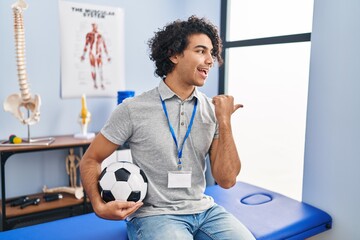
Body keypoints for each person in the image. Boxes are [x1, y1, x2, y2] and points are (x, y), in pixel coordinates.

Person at [80, 16, 255, 240]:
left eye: (212, 53)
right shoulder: (133, 109)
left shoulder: (212, 110)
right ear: (174, 55)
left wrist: (225, 121)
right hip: (154, 215)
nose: (210, 60)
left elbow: (227, 180)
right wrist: (98, 204)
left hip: (204, 210)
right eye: (201, 51)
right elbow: (91, 159)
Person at [80, 23, 111, 89]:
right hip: (92, 54)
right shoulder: (89, 34)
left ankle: (102, 83)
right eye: (94, 26)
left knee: (100, 69)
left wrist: (108, 56)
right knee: (93, 69)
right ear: (92, 26)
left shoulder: (100, 35)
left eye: (96, 26)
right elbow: (86, 45)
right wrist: (83, 55)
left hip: (98, 54)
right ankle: (95, 83)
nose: (95, 27)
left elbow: (104, 46)